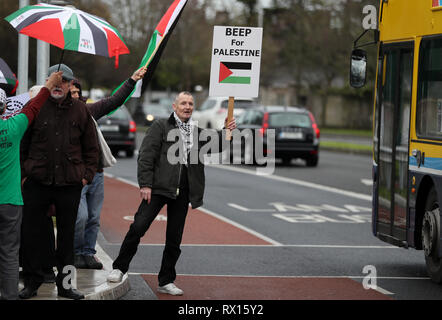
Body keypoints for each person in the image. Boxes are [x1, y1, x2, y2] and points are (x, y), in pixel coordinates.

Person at [106, 91, 236, 296]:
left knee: (174, 238)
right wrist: (145, 184)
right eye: (183, 103)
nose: (187, 106)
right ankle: (119, 268)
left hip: (183, 191)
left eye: (191, 103)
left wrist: (227, 130)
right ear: (174, 107)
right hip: (158, 188)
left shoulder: (195, 131)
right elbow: (146, 156)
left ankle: (166, 280)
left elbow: (217, 144)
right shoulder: (160, 126)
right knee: (138, 227)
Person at [19, 64, 99, 300]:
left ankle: (65, 286)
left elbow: (92, 149)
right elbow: (22, 142)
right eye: (55, 80)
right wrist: (25, 173)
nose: (59, 85)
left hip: (69, 184)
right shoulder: (35, 107)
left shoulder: (81, 111)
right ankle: (32, 282)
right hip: (37, 181)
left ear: (72, 85)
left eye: (65, 81)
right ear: (48, 82)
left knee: (67, 237)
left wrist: (86, 176)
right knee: (31, 234)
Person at [72, 67, 147, 270]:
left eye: (78, 92)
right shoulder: (60, 117)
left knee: (94, 218)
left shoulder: (88, 111)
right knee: (81, 217)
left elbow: (114, 100)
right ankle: (75, 253)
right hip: (76, 177)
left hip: (96, 174)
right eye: (72, 93)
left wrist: (131, 80)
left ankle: (88, 253)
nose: (76, 96)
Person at [0, 72, 63, 300]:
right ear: (4, 107)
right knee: (9, 252)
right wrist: (49, 85)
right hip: (11, 201)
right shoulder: (15, 126)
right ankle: (9, 295)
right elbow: (34, 107)